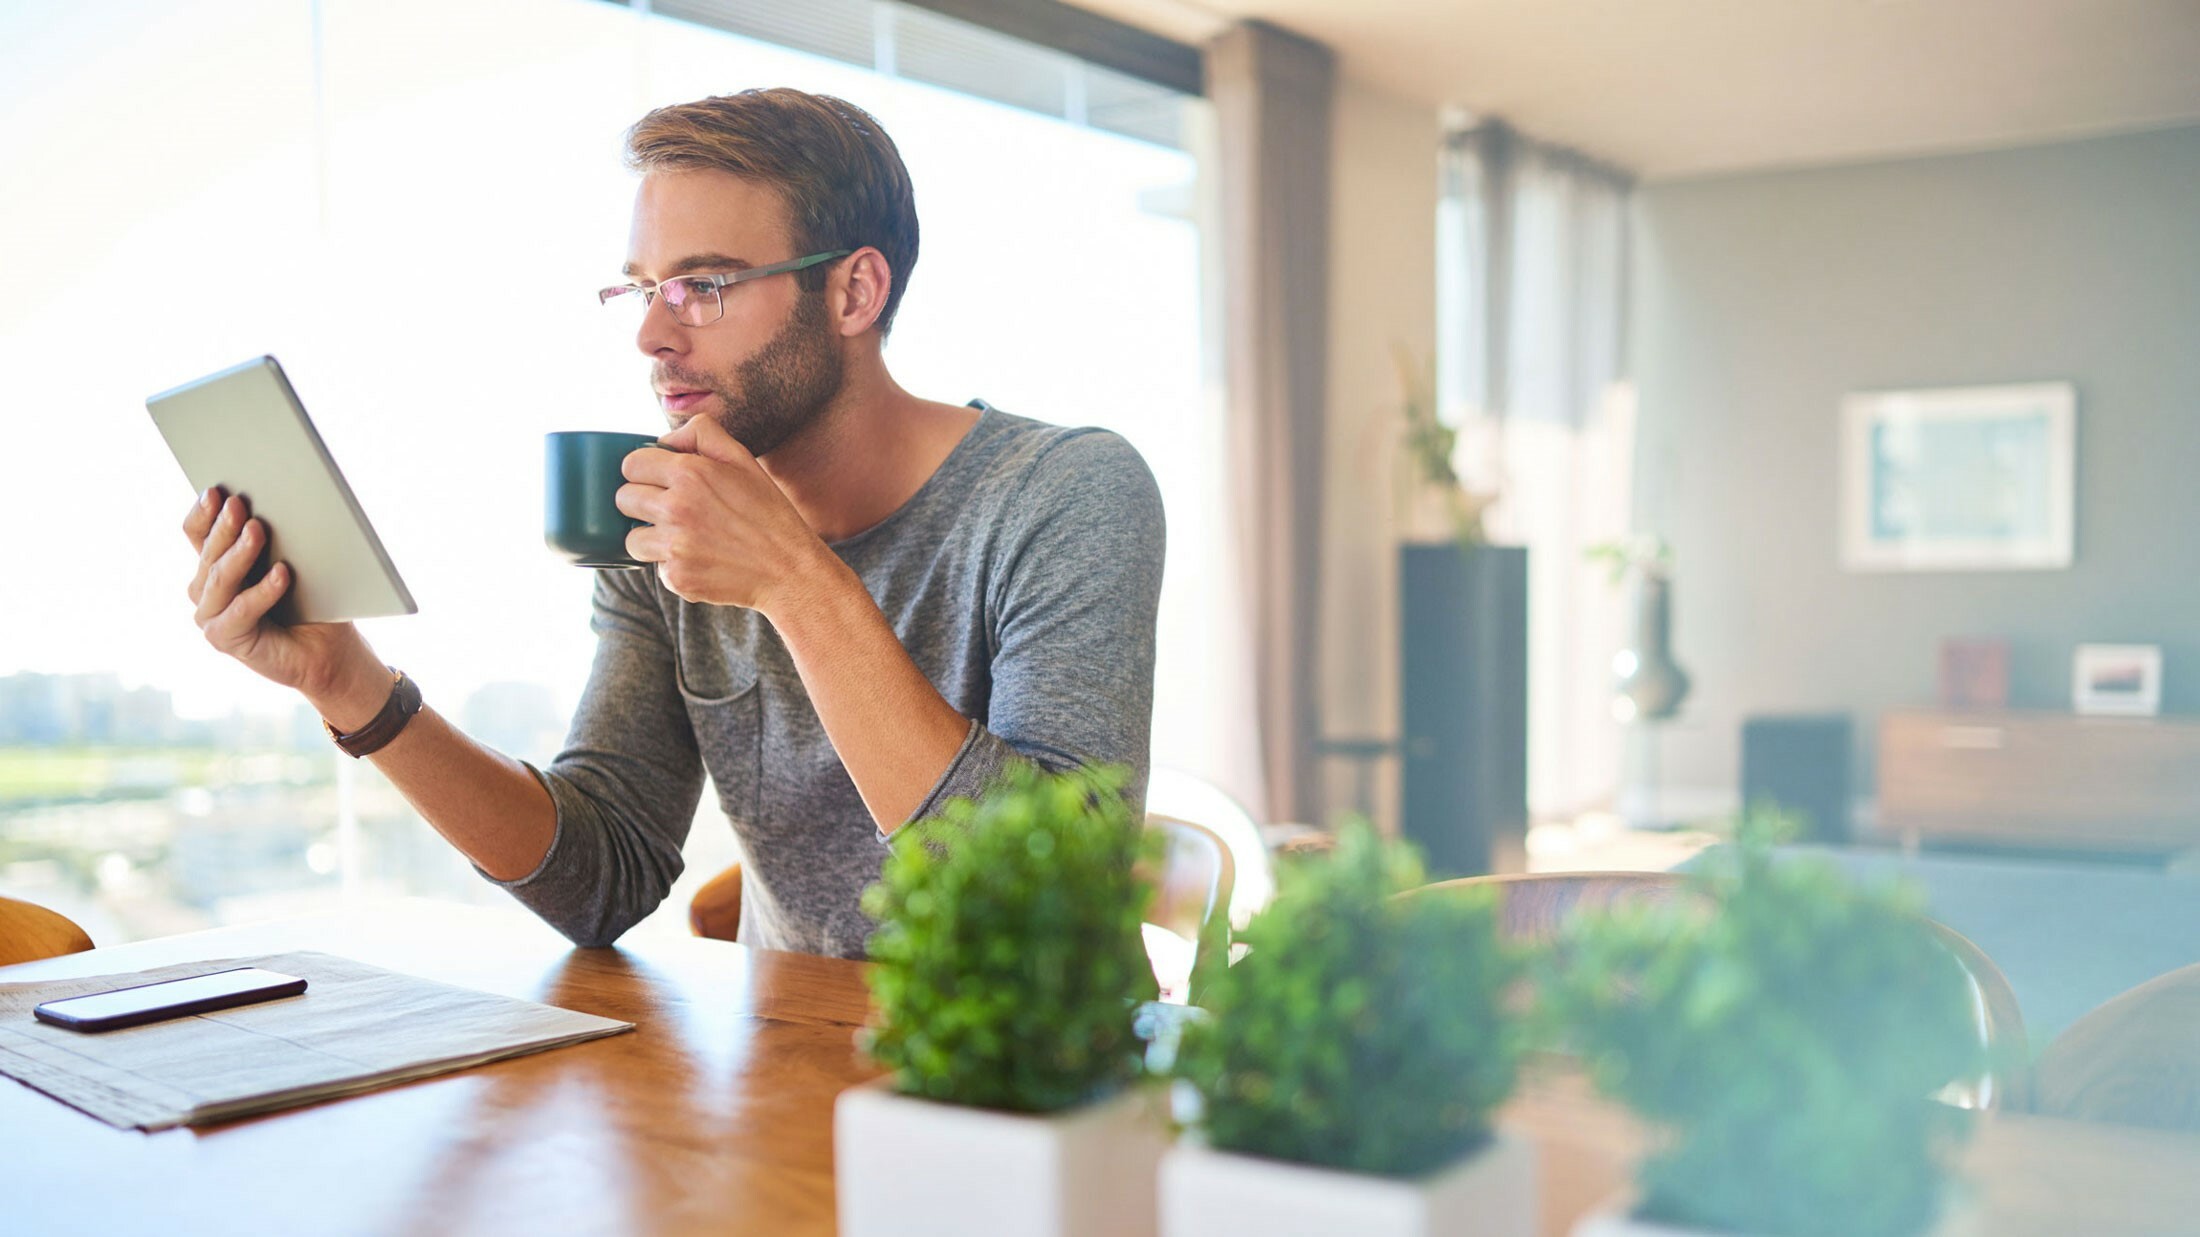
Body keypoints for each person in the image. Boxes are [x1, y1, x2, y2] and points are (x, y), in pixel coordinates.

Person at [179, 88, 1165, 958]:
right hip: (792, 1080)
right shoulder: (659, 525)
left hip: (1041, 1101)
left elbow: (1060, 900)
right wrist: (349, 685)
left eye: (705, 284)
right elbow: (599, 876)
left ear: (854, 290)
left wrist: (793, 582)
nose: (654, 333)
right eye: (645, 288)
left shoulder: (1063, 491)